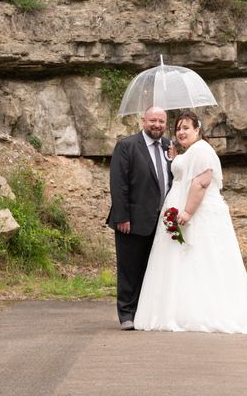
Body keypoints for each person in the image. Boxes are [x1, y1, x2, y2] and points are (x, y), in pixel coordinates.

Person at [134, 110, 247, 334]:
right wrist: (177, 159)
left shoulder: (202, 150)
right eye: (178, 128)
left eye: (186, 127)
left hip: (196, 215)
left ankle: (204, 312)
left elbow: (201, 184)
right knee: (182, 263)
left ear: (198, 129)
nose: (181, 132)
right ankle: (178, 310)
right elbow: (185, 174)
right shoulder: (190, 152)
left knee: (202, 259)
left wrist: (187, 212)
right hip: (178, 212)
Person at [106, 106, 172, 330]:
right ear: (143, 121)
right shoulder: (127, 146)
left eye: (161, 121)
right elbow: (119, 183)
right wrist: (122, 216)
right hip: (132, 220)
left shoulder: (169, 146)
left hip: (161, 221)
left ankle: (145, 313)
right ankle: (126, 314)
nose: (157, 125)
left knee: (153, 269)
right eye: (153, 120)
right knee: (129, 268)